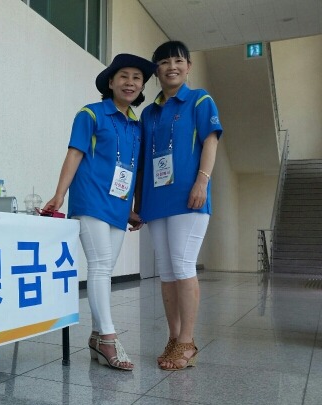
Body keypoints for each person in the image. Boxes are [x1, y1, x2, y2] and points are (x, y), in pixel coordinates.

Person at [43, 53, 157, 371]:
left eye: (137, 78)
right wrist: (60, 194)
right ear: (111, 82)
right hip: (90, 198)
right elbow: (75, 153)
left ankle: (96, 337)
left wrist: (135, 207)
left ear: (142, 86)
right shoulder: (90, 114)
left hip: (118, 206)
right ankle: (108, 337)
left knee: (104, 268)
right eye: (124, 76)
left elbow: (135, 169)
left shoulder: (137, 126)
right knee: (100, 266)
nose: (130, 82)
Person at [138, 40, 223, 370]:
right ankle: (173, 337)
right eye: (163, 62)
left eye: (177, 60)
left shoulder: (200, 99)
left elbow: (210, 141)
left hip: (188, 197)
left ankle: (187, 341)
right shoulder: (149, 113)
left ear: (188, 67)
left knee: (183, 265)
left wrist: (202, 181)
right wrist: (138, 202)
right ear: (156, 71)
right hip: (156, 200)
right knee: (167, 271)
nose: (171, 66)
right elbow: (143, 162)